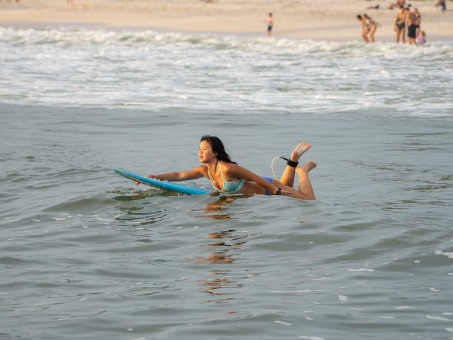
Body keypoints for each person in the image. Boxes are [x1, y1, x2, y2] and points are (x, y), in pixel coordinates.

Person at [137, 136, 317, 200]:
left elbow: (254, 177)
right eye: (199, 149)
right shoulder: (204, 170)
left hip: (265, 187)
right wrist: (156, 177)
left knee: (307, 199)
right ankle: (293, 159)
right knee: (285, 186)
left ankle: (302, 171)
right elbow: (180, 174)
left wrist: (275, 192)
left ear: (215, 152)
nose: (200, 152)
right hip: (266, 188)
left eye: (204, 149)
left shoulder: (228, 168)